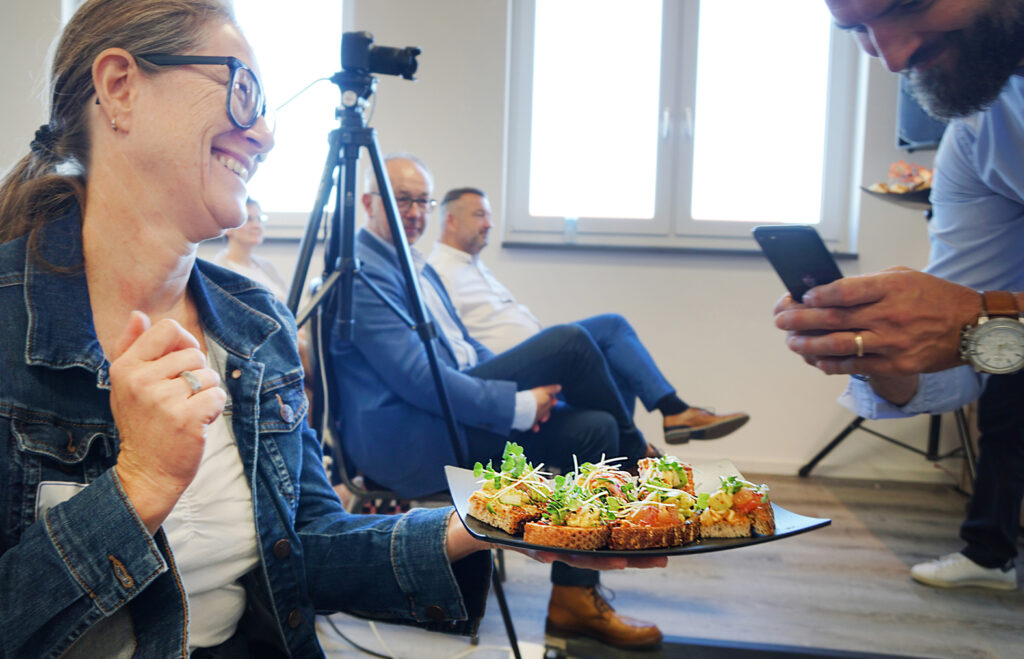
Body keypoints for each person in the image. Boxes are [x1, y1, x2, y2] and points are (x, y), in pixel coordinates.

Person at [0, 3, 663, 656]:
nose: (264, 133)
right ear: (120, 88)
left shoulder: (256, 326)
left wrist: (486, 522)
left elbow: (309, 543)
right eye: (242, 91)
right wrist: (135, 489)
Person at [328, 153, 665, 649]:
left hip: (449, 413)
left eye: (423, 200)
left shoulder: (415, 264)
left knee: (596, 427)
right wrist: (519, 405)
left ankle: (572, 601)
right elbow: (421, 381)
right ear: (367, 202)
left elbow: (468, 349)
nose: (416, 212)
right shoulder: (359, 274)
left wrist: (524, 394)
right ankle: (645, 469)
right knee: (573, 342)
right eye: (403, 200)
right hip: (409, 437)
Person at [774, 0, 1024, 590]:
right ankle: (990, 553)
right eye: (856, 29)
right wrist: (886, 351)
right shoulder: (979, 133)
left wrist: (979, 313)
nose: (891, 56)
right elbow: (960, 361)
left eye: (909, 4)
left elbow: (976, 315)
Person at [428, 187, 750, 444]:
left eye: (490, 215)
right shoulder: (439, 272)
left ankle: (623, 464)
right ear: (451, 220)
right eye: (479, 214)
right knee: (609, 327)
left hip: (537, 364)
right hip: (509, 375)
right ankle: (665, 420)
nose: (489, 223)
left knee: (612, 361)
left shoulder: (476, 268)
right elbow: (455, 347)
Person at [212, 197, 288, 301]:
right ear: (228, 227)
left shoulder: (267, 266)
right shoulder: (218, 271)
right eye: (249, 219)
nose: (257, 226)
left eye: (259, 219)